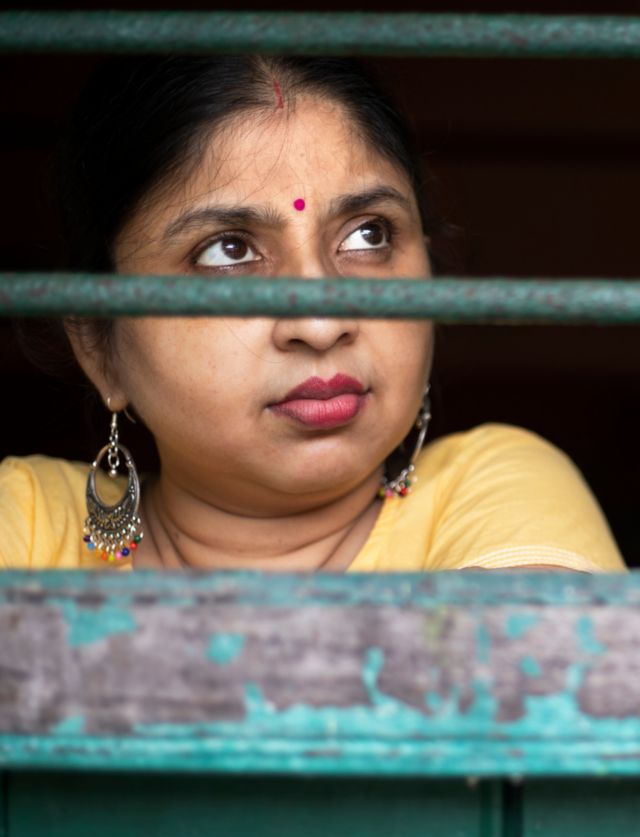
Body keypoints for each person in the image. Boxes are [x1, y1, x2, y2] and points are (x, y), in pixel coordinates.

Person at [0, 55, 625, 571]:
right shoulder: (25, 521)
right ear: (98, 346)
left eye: (368, 235)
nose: (323, 323)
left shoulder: (498, 490)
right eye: (229, 249)